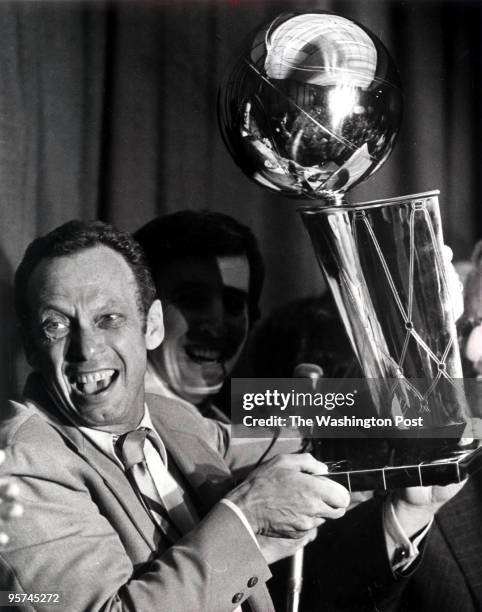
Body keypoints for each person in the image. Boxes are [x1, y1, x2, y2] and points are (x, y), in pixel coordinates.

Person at [0, 220, 351, 611]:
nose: (87, 348)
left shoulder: (165, 416)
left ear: (152, 326)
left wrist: (422, 407)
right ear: (32, 349)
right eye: (57, 325)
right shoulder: (19, 464)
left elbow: (290, 432)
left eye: (108, 319)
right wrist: (247, 519)